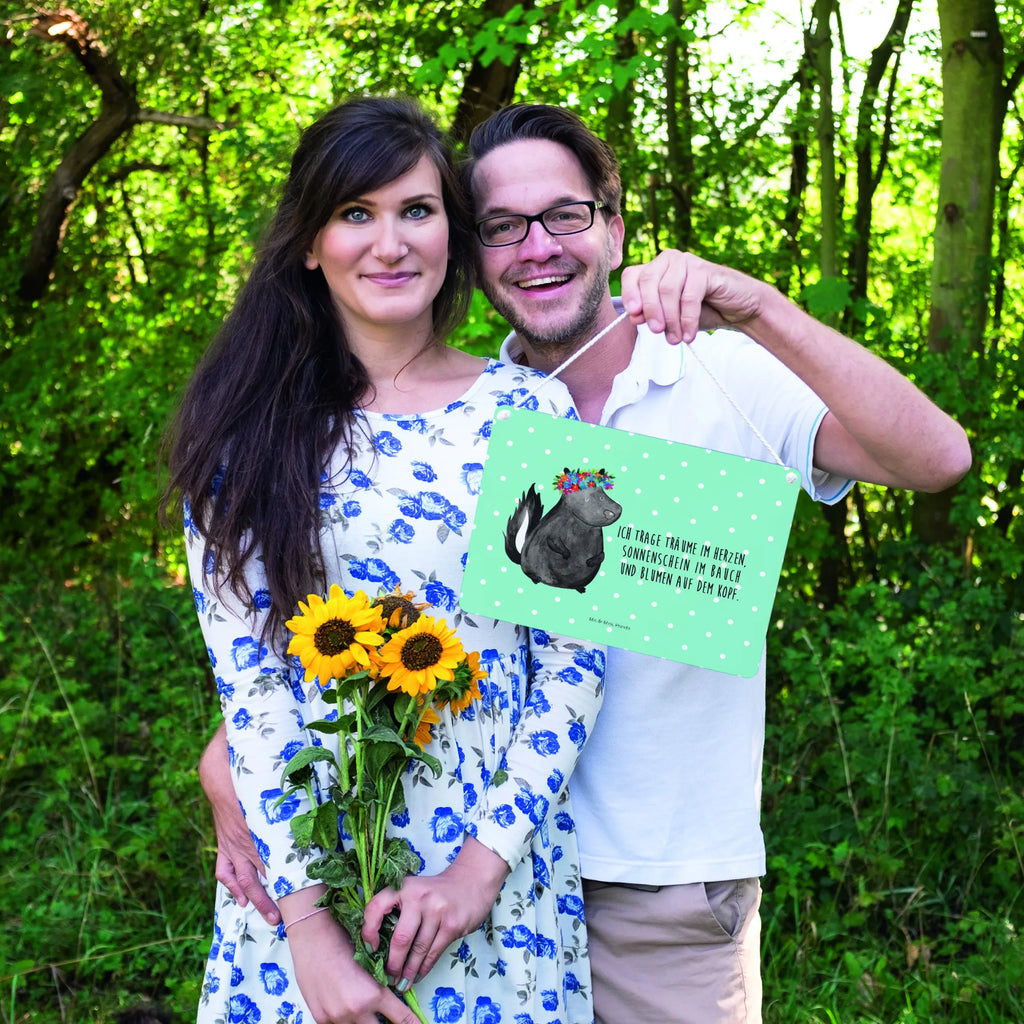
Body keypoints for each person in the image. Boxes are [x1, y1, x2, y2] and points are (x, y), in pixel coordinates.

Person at [202, 102, 972, 1024]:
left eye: (564, 215)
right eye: (503, 226)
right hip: (432, 872)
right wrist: (233, 757)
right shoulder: (477, 413)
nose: (537, 247)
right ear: (474, 249)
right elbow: (342, 623)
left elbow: (939, 459)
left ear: (614, 227)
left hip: (654, 888)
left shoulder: (709, 374)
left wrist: (758, 306)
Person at [165, 96, 612, 1024]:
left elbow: (575, 662)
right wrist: (310, 934)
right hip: (305, 879)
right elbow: (251, 688)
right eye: (355, 213)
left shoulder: (532, 410)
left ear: (453, 230)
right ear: (309, 242)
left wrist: (478, 872)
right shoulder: (243, 435)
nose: (391, 243)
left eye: (417, 210)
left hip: (493, 883)